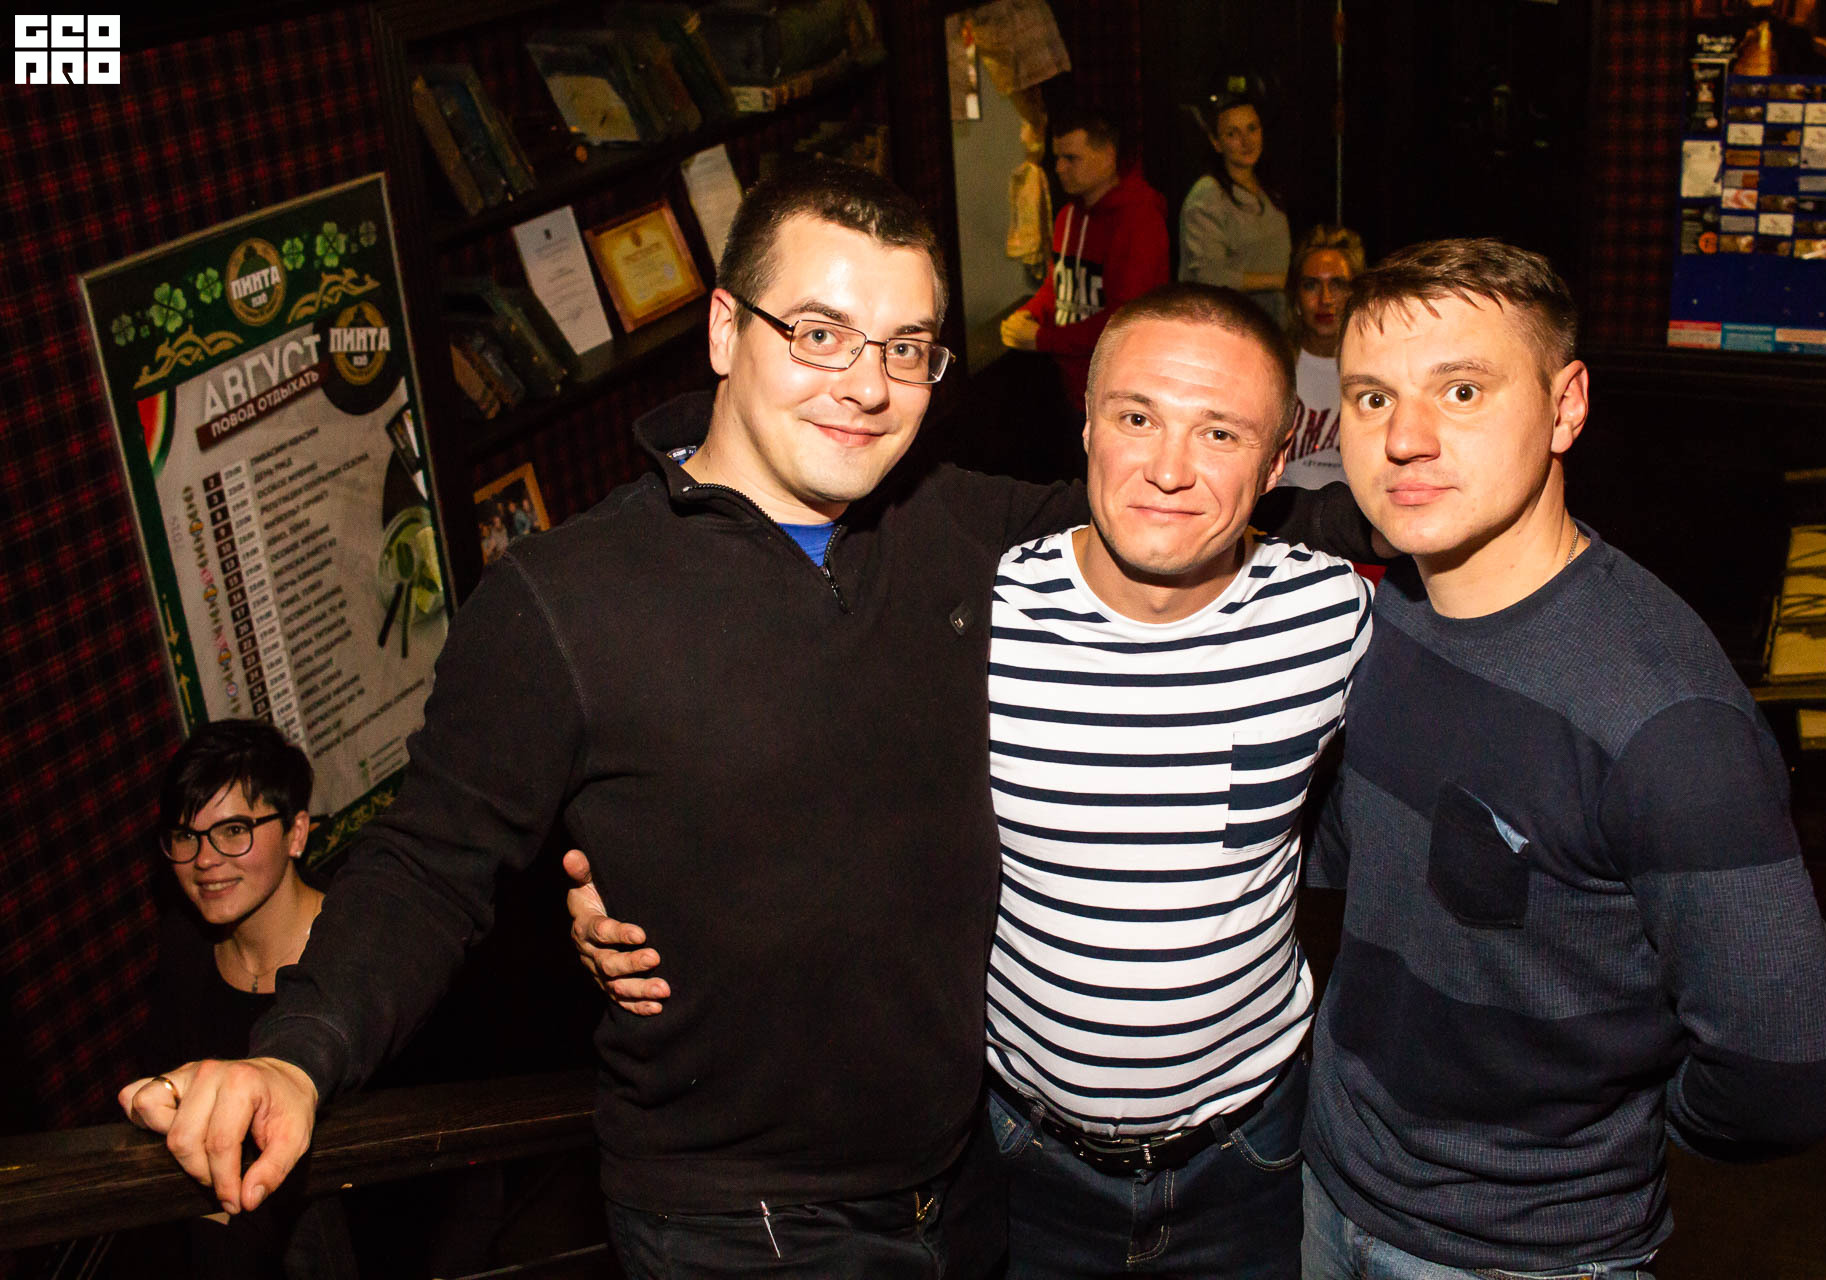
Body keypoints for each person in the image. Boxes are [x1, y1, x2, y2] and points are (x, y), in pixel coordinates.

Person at [118, 162, 1375, 1280]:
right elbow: (428, 864)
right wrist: (297, 1052)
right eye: (820, 333)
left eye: (905, 347)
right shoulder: (563, 600)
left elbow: (1170, 511)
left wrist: (1414, 512)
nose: (866, 385)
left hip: (974, 1178)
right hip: (739, 1217)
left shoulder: (954, 527)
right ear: (725, 327)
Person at [570, 284, 1374, 1279]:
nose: (1169, 468)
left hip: (1250, 1155)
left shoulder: (1332, 616)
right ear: (1088, 425)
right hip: (1018, 1162)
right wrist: (646, 889)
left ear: (1279, 457)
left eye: (1219, 432)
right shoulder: (975, 605)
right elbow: (797, 767)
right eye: (1137, 418)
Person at [1301, 238, 1826, 1277]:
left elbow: (1782, 1076)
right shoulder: (1387, 615)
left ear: (1566, 407)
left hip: (1526, 1254)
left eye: (1462, 390)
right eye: (1372, 398)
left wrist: (1592, 1143)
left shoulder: (1667, 718)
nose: (1404, 438)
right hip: (1328, 1184)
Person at [127, 719, 357, 1280]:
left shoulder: (353, 958)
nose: (204, 859)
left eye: (233, 830)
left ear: (297, 833)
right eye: (185, 836)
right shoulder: (185, 945)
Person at [1001, 109, 1170, 410]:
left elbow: (1126, 320)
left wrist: (1043, 339)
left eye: (1072, 158)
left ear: (1107, 155)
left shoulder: (1141, 220)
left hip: (1121, 389)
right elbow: (1057, 287)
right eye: (1057, 158)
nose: (1060, 168)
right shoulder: (1068, 216)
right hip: (1071, 382)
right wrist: (1028, 315)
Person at [1178, 94, 1292, 325]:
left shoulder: (1268, 189)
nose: (1246, 141)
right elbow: (1208, 276)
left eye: (1252, 129)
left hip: (1274, 323)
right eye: (1233, 134)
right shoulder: (1208, 195)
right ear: (1216, 142)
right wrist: (1279, 280)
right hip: (1228, 324)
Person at [1276, 226, 1364, 492]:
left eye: (1337, 284)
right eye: (1311, 285)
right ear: (1295, 298)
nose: (1325, 299)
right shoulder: (1274, 367)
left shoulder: (1378, 370)